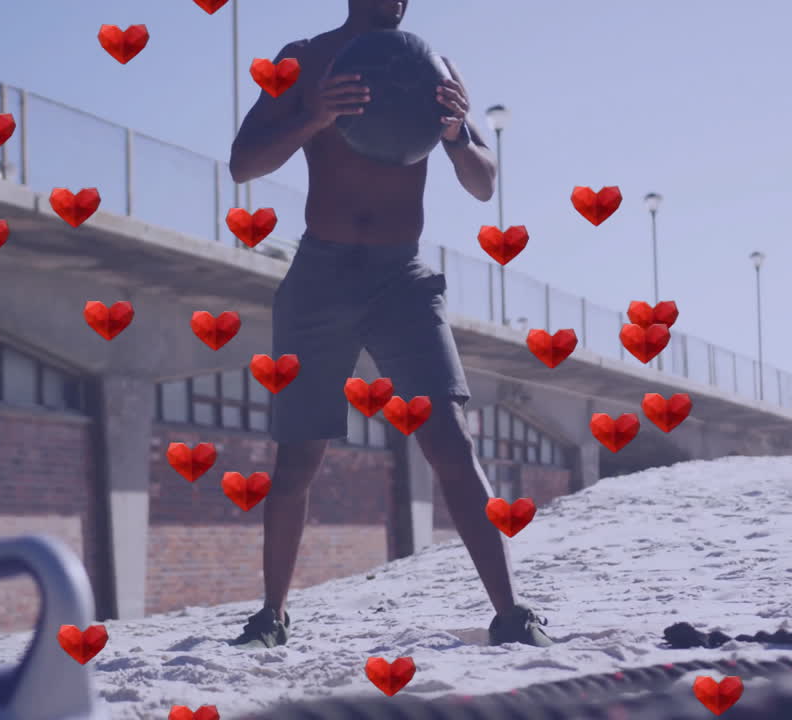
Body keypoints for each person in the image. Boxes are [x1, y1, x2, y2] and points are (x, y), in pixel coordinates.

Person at [226, 0, 553, 649]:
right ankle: (272, 616)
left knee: (451, 441)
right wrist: (314, 113)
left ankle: (513, 614)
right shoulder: (305, 58)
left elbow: (484, 184)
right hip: (320, 273)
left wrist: (459, 134)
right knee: (298, 454)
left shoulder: (432, 66)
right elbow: (243, 163)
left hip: (400, 278)